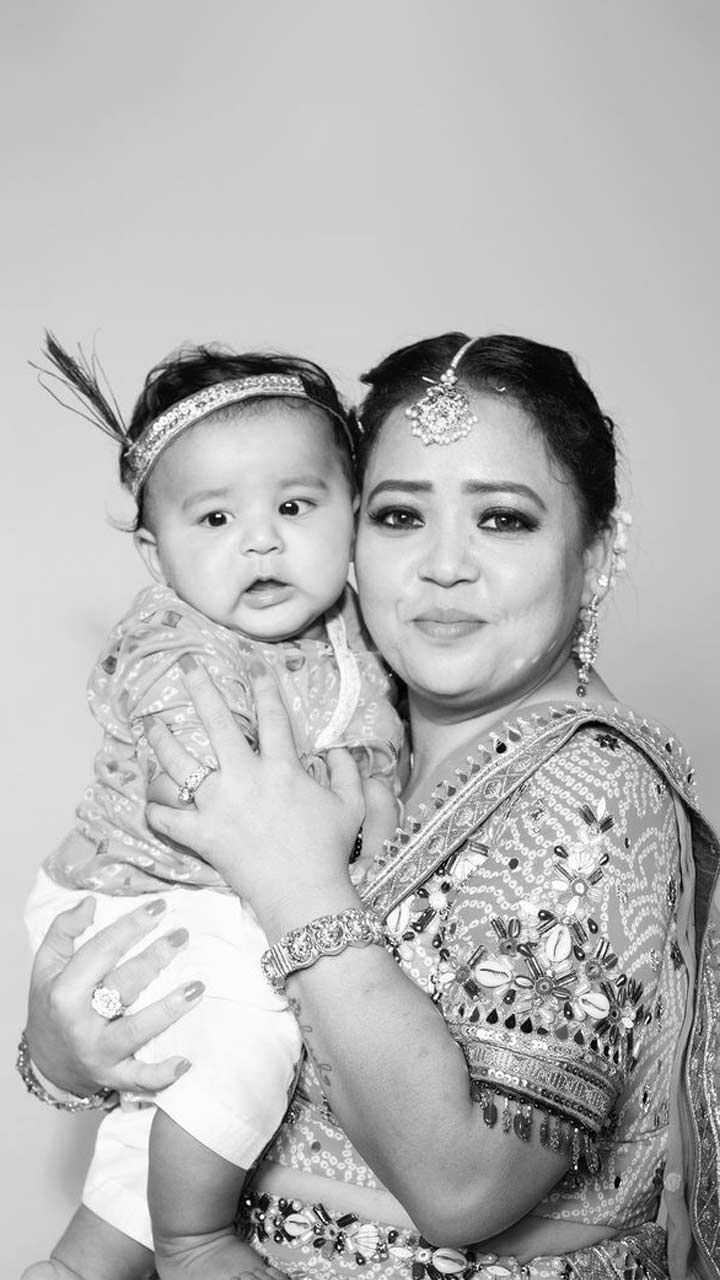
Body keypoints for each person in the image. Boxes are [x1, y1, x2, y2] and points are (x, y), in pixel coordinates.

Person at [20, 333, 720, 1280]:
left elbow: (465, 1191)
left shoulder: (592, 785)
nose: (443, 565)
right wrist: (66, 1057)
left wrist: (294, 883)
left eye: (503, 519)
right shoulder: (341, 734)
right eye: (399, 516)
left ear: (595, 555)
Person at [21, 337, 404, 1280]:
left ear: (354, 514)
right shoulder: (179, 649)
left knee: (174, 1089)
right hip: (147, 892)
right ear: (157, 556)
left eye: (294, 506)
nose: (261, 541)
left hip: (215, 896)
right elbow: (214, 793)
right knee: (251, 1033)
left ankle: (79, 1264)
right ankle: (192, 1241)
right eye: (217, 517)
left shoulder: (352, 635)